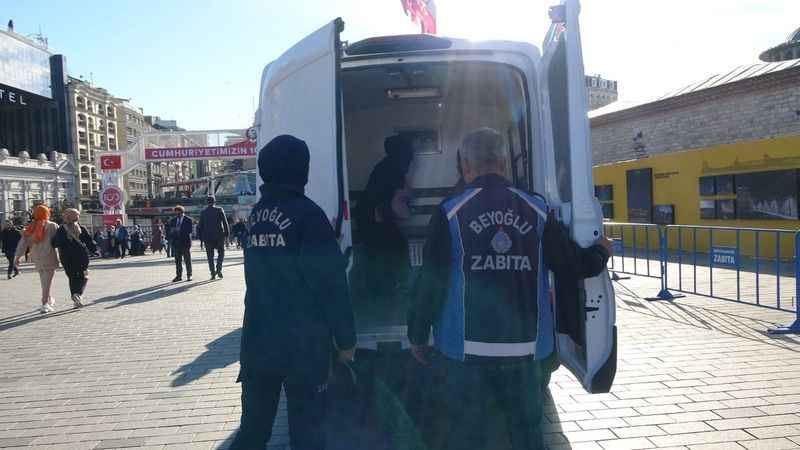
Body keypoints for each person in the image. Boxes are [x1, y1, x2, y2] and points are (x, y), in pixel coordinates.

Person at [407, 128, 612, 450]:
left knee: (468, 437)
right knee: (525, 437)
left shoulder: (450, 212)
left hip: (464, 353)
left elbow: (430, 282)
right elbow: (572, 265)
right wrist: (601, 249)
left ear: (464, 165)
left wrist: (418, 334)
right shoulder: (538, 208)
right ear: (503, 162)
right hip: (527, 353)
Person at [230, 135, 356, 450]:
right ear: (303, 171)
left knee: (252, 433)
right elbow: (331, 284)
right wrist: (346, 340)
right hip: (303, 347)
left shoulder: (257, 216)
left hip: (258, 341)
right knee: (308, 434)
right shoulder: (309, 215)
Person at [354, 134, 414, 301]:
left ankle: (383, 292)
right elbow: (396, 206)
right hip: (373, 219)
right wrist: (406, 215)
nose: (412, 160)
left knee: (381, 255)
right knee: (395, 249)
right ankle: (394, 291)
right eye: (410, 155)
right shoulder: (394, 169)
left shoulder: (385, 166)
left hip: (368, 218)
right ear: (404, 155)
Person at [15, 205, 60, 313]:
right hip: (49, 255)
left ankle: (49, 299)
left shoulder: (31, 227)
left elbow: (23, 243)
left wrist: (17, 257)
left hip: (36, 256)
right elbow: (59, 241)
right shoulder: (52, 226)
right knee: (47, 282)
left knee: (44, 281)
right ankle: (44, 303)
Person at [51, 209, 97, 308]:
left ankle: (75, 296)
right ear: (73, 217)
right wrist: (94, 250)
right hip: (81, 256)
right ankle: (78, 294)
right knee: (84, 276)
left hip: (66, 257)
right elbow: (89, 241)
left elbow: (55, 243)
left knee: (72, 277)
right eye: (77, 215)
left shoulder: (61, 229)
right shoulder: (81, 228)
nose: (78, 217)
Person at [197, 195, 230, 280]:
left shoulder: (203, 212)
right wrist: (227, 234)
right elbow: (225, 222)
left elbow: (200, 226)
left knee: (210, 256)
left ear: (207, 202)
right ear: (215, 202)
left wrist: (201, 238)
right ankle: (218, 269)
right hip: (219, 236)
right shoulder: (219, 210)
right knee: (221, 253)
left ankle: (212, 273)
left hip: (207, 237)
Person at [167, 205, 193, 282]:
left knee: (187, 260)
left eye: (178, 214)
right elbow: (169, 231)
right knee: (177, 261)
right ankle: (178, 276)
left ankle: (189, 275)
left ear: (182, 212)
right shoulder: (173, 220)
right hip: (176, 243)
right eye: (176, 214)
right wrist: (171, 232)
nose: (177, 215)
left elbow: (189, 230)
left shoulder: (188, 220)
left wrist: (179, 230)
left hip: (185, 242)